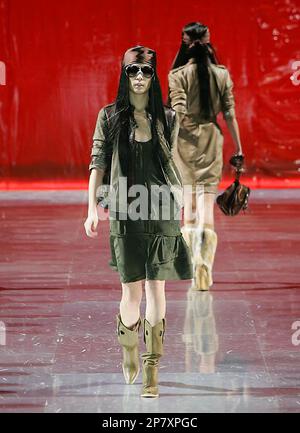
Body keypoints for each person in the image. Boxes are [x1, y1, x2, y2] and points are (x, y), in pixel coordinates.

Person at [84, 46, 193, 398]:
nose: (140, 78)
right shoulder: (109, 116)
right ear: (124, 74)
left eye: (146, 71)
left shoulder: (168, 118)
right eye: (133, 71)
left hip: (162, 208)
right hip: (126, 210)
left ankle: (151, 366)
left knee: (156, 287)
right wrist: (90, 208)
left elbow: (173, 163)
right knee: (131, 289)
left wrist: (185, 200)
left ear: (154, 74)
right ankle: (129, 348)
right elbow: (98, 163)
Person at [168, 22, 244, 291]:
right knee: (206, 204)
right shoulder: (221, 74)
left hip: (184, 142)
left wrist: (166, 144)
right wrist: (239, 148)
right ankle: (206, 266)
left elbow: (175, 113)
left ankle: (192, 263)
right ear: (208, 40)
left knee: (187, 207)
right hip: (212, 138)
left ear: (184, 42)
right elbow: (230, 113)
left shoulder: (177, 75)